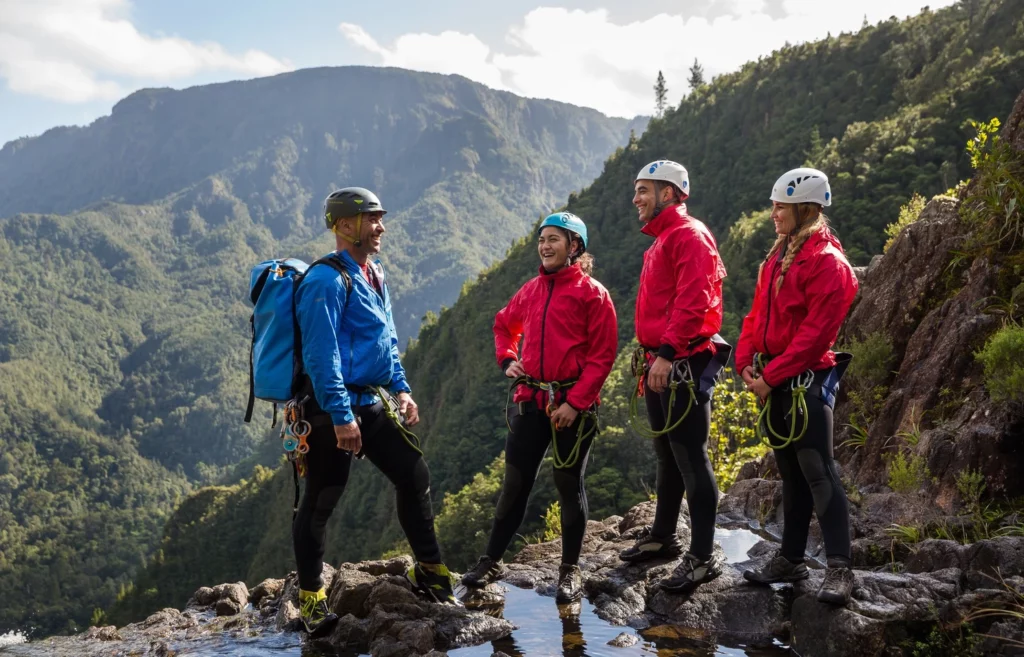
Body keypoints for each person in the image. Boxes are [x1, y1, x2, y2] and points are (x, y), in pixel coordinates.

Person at [291, 187, 459, 636]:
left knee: (413, 473)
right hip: (331, 408)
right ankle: (310, 600)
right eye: (372, 219)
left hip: (371, 400)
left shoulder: (374, 273)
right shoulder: (325, 282)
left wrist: (401, 389)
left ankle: (429, 571)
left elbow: (386, 340)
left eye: (380, 218)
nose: (381, 226)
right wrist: (342, 417)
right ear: (345, 225)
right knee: (323, 498)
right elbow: (320, 357)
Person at [461, 212, 618, 604]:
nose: (545, 246)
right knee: (515, 484)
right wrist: (506, 358)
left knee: (568, 485)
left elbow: (602, 357)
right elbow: (503, 325)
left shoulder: (593, 294)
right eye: (542, 239)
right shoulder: (531, 290)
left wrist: (576, 403)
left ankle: (570, 570)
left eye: (554, 240)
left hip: (572, 408)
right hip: (530, 402)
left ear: (574, 247)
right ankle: (492, 560)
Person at [735, 168, 859, 606]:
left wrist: (770, 376)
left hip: (805, 381)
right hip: (777, 379)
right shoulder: (778, 256)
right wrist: (744, 362)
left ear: (803, 209)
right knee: (791, 475)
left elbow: (815, 337)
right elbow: (755, 318)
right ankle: (790, 558)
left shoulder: (829, 264)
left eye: (780, 207)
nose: (773, 214)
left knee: (818, 471)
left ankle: (841, 569)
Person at [618, 160, 731, 595]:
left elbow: (693, 301)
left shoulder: (689, 235)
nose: (636, 198)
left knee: (691, 457)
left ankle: (702, 558)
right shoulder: (665, 238)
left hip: (679, 363)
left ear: (668, 193)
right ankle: (663, 537)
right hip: (661, 363)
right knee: (667, 454)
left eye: (643, 190)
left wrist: (665, 354)